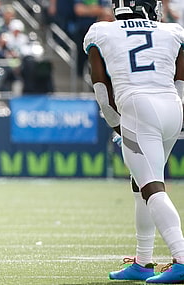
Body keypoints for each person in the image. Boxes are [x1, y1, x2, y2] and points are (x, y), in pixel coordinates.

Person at [84, 0, 184, 283]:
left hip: (138, 108)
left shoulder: (101, 32)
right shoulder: (173, 31)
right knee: (141, 182)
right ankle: (143, 261)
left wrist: (118, 125)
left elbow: (102, 90)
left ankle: (181, 257)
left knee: (151, 186)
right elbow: (181, 83)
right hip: (171, 108)